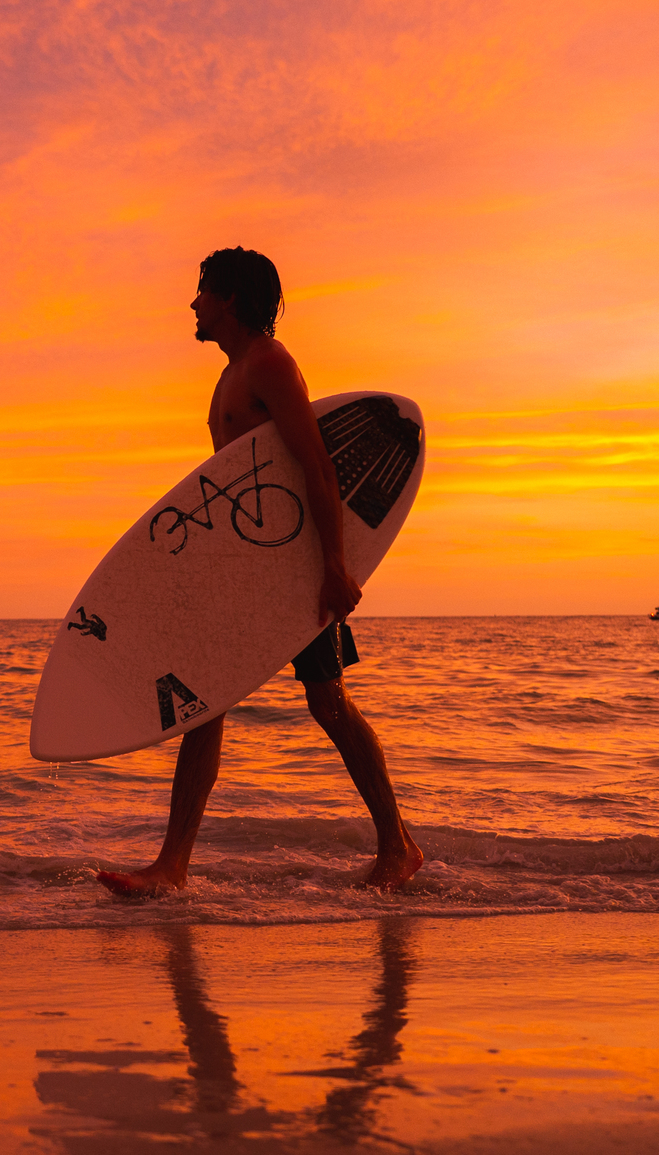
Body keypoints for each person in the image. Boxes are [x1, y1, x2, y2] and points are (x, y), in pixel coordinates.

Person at [96, 248, 425, 896]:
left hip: (294, 570)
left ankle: (398, 847)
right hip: (254, 570)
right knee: (208, 702)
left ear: (232, 299)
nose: (193, 303)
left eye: (202, 292)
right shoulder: (231, 374)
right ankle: (173, 867)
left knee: (327, 704)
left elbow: (318, 464)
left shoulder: (270, 365)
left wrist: (333, 565)